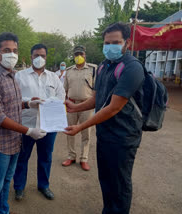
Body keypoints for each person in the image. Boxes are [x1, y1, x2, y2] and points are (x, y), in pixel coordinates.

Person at [64, 22, 145, 214]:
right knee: (106, 179)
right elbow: (96, 99)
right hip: (105, 133)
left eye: (116, 42)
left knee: (119, 182)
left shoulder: (132, 68)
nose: (110, 47)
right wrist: (75, 107)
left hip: (123, 136)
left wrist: (81, 126)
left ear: (127, 42)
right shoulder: (103, 67)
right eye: (107, 43)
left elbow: (113, 108)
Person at [0, 32, 47, 214]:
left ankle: (3, 211)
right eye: (7, 50)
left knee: (7, 180)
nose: (12, 54)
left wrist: (27, 103)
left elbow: (10, 104)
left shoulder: (13, 76)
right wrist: (28, 131)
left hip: (13, 142)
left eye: (15, 50)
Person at [13, 44, 65, 201]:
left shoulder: (53, 77)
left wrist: (49, 102)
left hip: (49, 124)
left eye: (42, 55)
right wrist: (30, 101)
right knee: (22, 157)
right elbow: (13, 99)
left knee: (46, 157)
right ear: (31, 57)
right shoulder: (20, 76)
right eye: (36, 55)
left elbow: (62, 96)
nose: (39, 58)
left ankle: (44, 185)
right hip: (25, 124)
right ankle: (19, 187)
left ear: (46, 57)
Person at [62, 46, 97, 171]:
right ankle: (71, 156)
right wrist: (65, 102)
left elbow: (96, 89)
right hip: (71, 105)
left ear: (85, 55)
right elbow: (65, 89)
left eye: (81, 54)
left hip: (86, 105)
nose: (78, 56)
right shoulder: (69, 70)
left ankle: (84, 159)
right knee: (69, 131)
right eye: (76, 54)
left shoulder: (93, 69)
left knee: (86, 133)